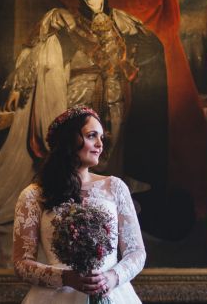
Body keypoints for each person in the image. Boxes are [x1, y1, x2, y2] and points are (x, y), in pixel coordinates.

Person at [0, 0, 166, 234]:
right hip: (78, 89)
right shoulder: (63, 18)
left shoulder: (121, 20)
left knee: (111, 147)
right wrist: (18, 86)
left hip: (114, 91)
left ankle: (102, 213)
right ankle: (72, 210)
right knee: (77, 148)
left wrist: (130, 63)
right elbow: (35, 50)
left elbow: (151, 45)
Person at [13, 106, 145, 303]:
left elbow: (136, 252)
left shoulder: (115, 187)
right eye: (92, 136)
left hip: (112, 293)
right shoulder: (33, 195)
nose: (100, 144)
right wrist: (65, 277)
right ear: (69, 139)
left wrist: (111, 278)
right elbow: (21, 263)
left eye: (102, 137)